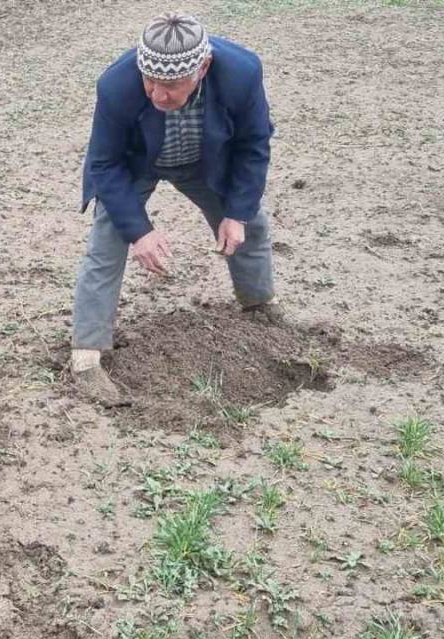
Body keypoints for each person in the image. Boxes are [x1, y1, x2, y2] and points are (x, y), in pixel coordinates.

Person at [70, 12, 279, 407]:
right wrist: (140, 232)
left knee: (251, 224)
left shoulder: (241, 72)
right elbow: (104, 163)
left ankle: (260, 307)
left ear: (202, 68)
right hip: (137, 164)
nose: (156, 94)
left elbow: (254, 144)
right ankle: (86, 355)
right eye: (149, 81)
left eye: (170, 86)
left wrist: (235, 213)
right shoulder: (117, 85)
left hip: (205, 161)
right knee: (106, 242)